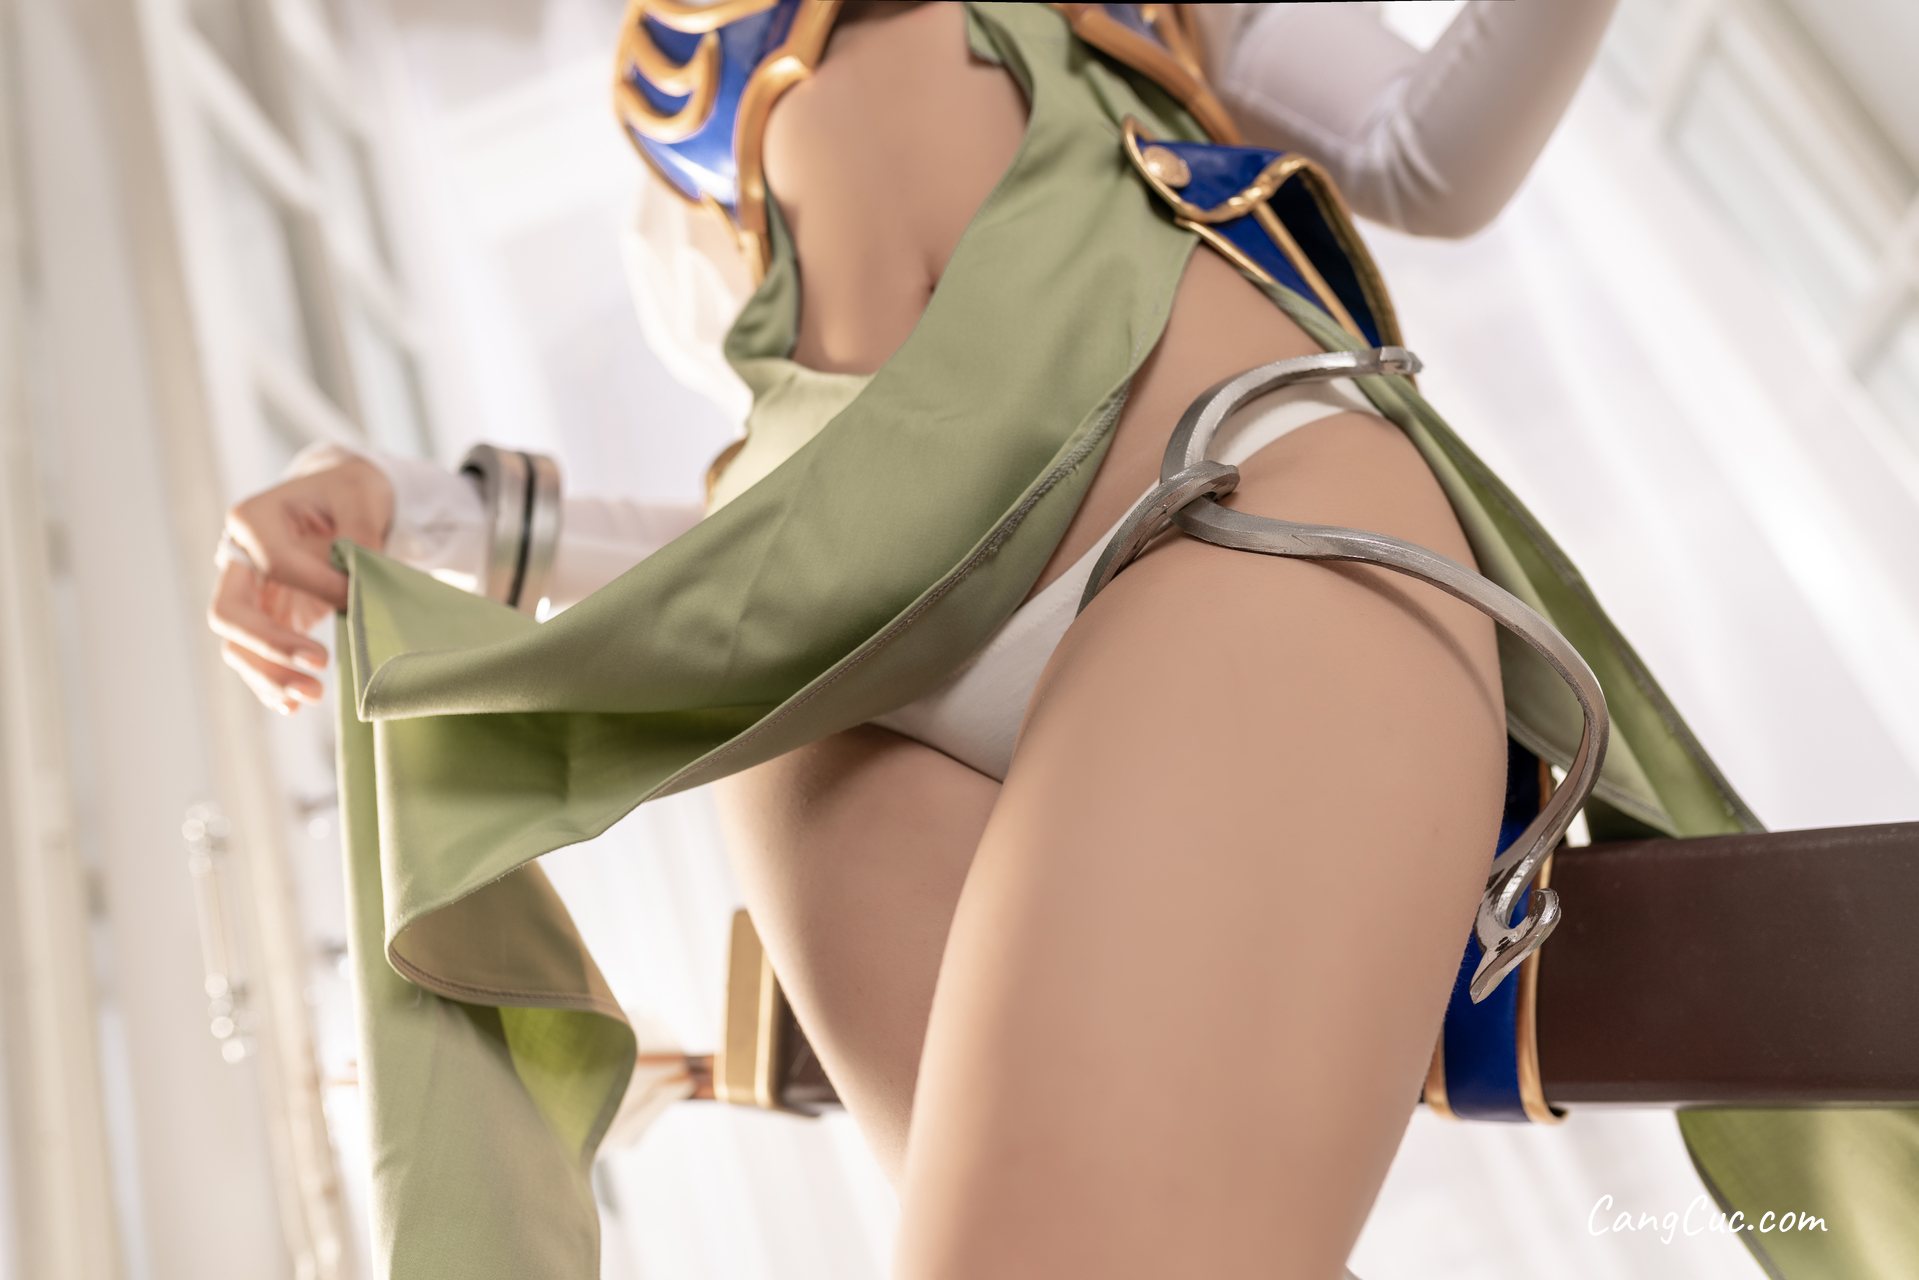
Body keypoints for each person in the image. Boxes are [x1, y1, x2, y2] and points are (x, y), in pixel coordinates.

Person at [204, 5, 1818, 1280]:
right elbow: (831, 483)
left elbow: (1430, 152)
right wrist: (429, 512)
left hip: (1214, 510)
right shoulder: (668, 106)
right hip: (848, 690)